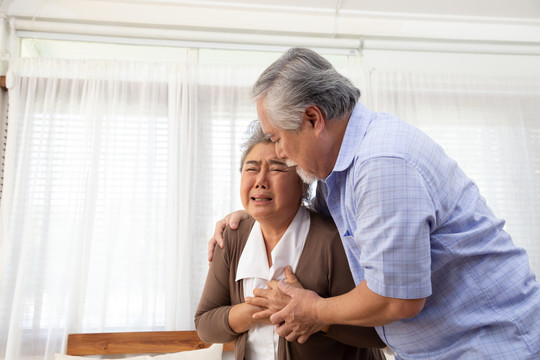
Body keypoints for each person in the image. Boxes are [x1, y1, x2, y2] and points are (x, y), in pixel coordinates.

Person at [208, 48, 540, 359]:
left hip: (492, 344)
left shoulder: (381, 164)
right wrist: (250, 216)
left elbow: (399, 299)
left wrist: (312, 310)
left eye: (278, 138)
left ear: (312, 118)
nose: (279, 152)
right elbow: (301, 214)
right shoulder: (336, 176)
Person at [195, 121, 386, 360]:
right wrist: (262, 308)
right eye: (251, 169)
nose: (260, 181)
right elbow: (205, 325)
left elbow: (378, 332)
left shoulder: (333, 240)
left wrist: (318, 318)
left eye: (276, 169)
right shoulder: (232, 237)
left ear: (303, 183)